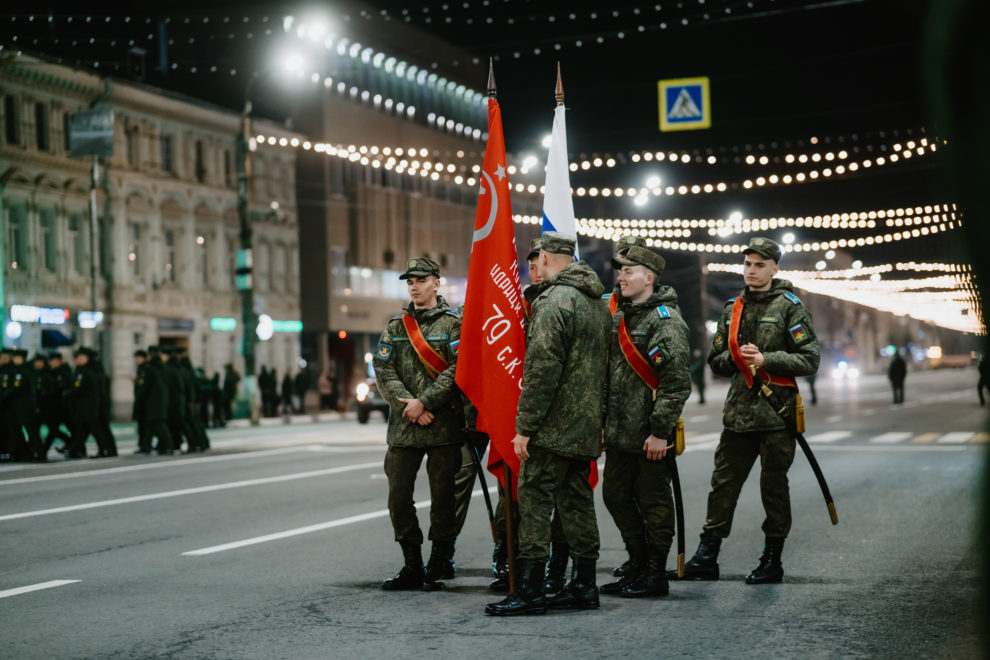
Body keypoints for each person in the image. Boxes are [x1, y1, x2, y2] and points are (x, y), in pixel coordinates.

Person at [676, 237, 819, 585]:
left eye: (759, 265)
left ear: (774, 268)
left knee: (773, 488)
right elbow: (717, 362)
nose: (751, 271)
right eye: (747, 264)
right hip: (739, 415)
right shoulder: (732, 307)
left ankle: (772, 559)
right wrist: (738, 356)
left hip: (776, 415)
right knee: (723, 485)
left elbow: (809, 358)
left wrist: (766, 359)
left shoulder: (790, 307)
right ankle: (707, 555)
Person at [486, 232, 610, 616]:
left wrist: (525, 426)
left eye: (536, 258)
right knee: (577, 504)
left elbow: (541, 370)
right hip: (584, 425)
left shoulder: (555, 301)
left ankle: (530, 589)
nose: (534, 266)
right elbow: (604, 370)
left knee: (535, 504)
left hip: (552, 427)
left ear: (546, 256)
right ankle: (585, 586)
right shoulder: (596, 303)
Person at [601, 246, 691, 599]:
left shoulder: (665, 321)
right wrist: (605, 423)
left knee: (653, 503)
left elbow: (675, 383)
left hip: (649, 435)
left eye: (630, 271)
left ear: (649, 278)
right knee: (615, 496)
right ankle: (636, 564)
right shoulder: (619, 316)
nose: (621, 277)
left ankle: (655, 574)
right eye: (619, 271)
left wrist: (659, 432)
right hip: (621, 433)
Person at [374, 256, 463, 592]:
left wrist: (425, 402)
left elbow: (458, 370)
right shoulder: (396, 328)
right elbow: (384, 371)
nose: (413, 285)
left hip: (442, 426)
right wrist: (410, 406)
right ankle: (412, 563)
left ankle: (440, 561)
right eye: (409, 281)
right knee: (398, 497)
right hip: (404, 426)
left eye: (421, 280)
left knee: (443, 498)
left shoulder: (453, 325)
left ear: (436, 283)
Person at [64, 348, 114, 459]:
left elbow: (78, 388)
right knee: (84, 431)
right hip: (90, 406)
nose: (78, 360)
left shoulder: (84, 372)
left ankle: (105, 450)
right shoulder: (93, 370)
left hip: (88, 407)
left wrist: (66, 394)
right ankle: (75, 450)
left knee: (95, 430)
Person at [4, 349, 41, 461]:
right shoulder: (18, 370)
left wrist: (4, 395)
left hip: (25, 406)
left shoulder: (24, 371)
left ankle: (39, 453)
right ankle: (26, 453)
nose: (15, 360)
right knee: (18, 431)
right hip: (18, 407)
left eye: (17, 358)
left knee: (31, 431)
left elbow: (17, 388)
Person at [139, 346, 173, 454]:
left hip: (153, 402)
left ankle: (168, 446)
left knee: (159, 424)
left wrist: (139, 399)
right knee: (151, 424)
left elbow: (146, 387)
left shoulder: (150, 368)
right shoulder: (164, 367)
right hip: (163, 400)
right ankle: (146, 446)